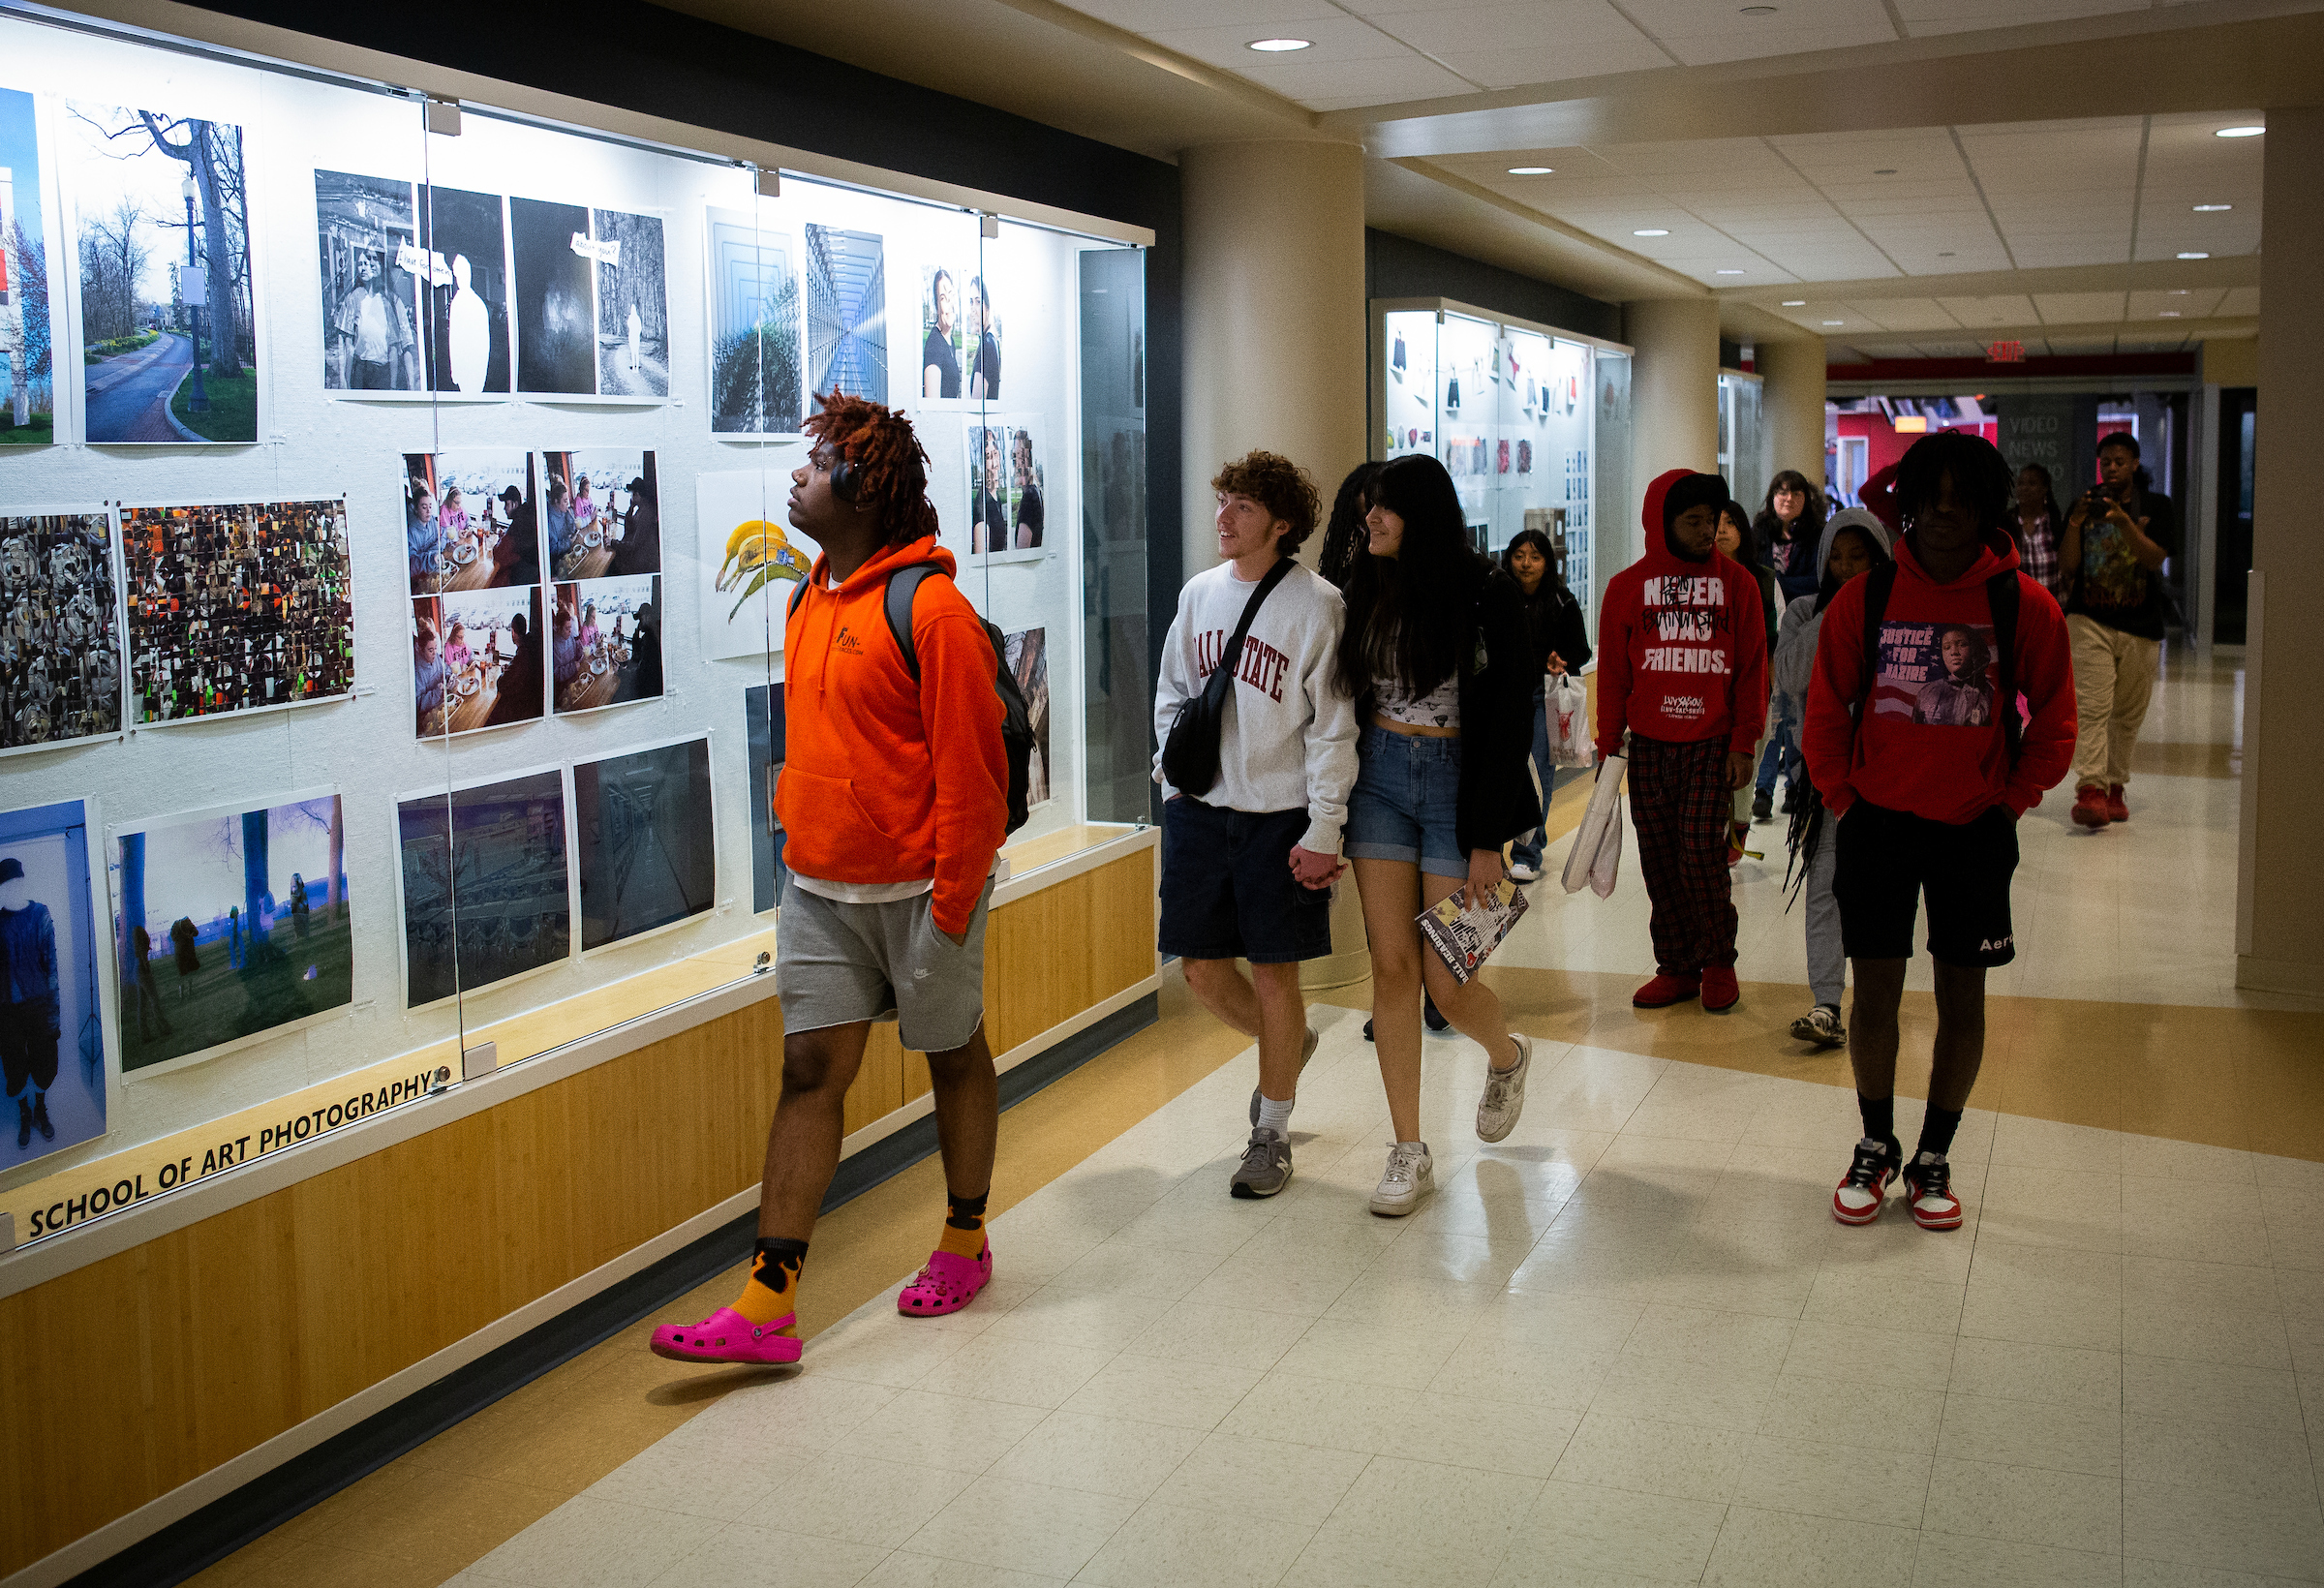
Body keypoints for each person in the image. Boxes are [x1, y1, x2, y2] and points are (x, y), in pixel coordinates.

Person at [651, 392, 1009, 1367]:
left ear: (861, 489)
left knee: (952, 1054)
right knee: (809, 1072)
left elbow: (976, 785)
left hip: (921, 893)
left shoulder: (930, 611)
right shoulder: (810, 594)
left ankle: (966, 1239)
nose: (798, 477)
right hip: (818, 890)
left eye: (816, 465)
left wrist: (947, 912)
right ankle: (768, 1298)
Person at [1806, 430, 2074, 1231]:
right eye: (1934, 493)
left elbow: (2056, 715)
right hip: (1878, 825)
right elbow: (1826, 711)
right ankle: (1876, 1142)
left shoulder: (2019, 603)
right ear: (1911, 504)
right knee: (1876, 996)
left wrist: (2014, 797)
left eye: (1965, 494)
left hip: (1973, 831)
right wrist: (1846, 801)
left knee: (1963, 997)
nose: (1948, 507)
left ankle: (1932, 1156)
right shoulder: (1868, 599)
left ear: (1990, 506)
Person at [1339, 453, 1540, 1215]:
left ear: (1421, 514)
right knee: (1391, 971)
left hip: (1462, 787)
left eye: (1386, 508)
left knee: (1447, 983)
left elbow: (1507, 715)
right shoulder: (1368, 581)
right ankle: (1408, 1150)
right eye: (1368, 507)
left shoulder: (1487, 590)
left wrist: (1491, 836)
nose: (1372, 520)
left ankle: (1508, 1055)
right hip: (1381, 779)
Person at [1154, 451, 1357, 1200]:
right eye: (1221, 502)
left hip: (1281, 819)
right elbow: (1172, 693)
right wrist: (1169, 781)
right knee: (1201, 967)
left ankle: (1269, 1130)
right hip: (1202, 813)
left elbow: (1334, 728)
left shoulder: (1318, 605)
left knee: (1275, 971)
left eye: (1240, 507)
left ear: (1282, 524)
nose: (1222, 518)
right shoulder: (1198, 594)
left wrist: (1324, 827)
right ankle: (1288, 1046)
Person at [1596, 471, 1768, 1014]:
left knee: (1700, 854)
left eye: (1711, 521)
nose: (1706, 532)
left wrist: (1745, 741)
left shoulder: (1738, 585)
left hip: (1710, 743)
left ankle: (1718, 959)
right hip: (1648, 744)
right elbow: (1615, 673)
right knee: (1659, 859)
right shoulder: (1627, 587)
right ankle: (1675, 965)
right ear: (1660, 524)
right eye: (1691, 521)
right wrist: (1606, 740)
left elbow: (1751, 669)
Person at [1770, 507, 1891, 1049]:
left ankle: (1875, 996)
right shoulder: (1801, 610)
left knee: (1883, 890)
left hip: (1889, 773)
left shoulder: (1901, 611)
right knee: (1824, 887)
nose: (1846, 568)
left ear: (1880, 558)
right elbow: (1791, 671)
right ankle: (1826, 1003)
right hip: (1822, 776)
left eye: (1858, 558)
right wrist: (1839, 610)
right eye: (1835, 559)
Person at [2060, 431, 2179, 828]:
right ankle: (2090, 789)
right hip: (2088, 618)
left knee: (2127, 714)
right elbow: (2069, 567)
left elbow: (2153, 558)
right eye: (2105, 462)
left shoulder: (2157, 507)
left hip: (2142, 623)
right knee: (2092, 706)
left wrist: (2124, 522)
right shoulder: (2082, 506)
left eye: (2119, 462)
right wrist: (2076, 522)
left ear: (2134, 465)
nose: (2111, 468)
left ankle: (2114, 787)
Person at [1499, 527, 1591, 883]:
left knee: (1540, 774)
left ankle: (1528, 853)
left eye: (1535, 557)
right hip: (1503, 698)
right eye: (1519, 556)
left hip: (1543, 698)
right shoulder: (1498, 596)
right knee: (1499, 774)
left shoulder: (1562, 602)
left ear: (1547, 562)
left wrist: (1561, 659)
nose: (1526, 564)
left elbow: (1581, 650)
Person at [1720, 500, 1784, 850]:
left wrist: (1770, 691)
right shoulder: (1697, 579)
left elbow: (1775, 642)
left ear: (1743, 532)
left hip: (1754, 689)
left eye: (1731, 523)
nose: (1721, 531)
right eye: (1716, 523)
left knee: (1748, 765)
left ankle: (1736, 836)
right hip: (1711, 692)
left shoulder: (1763, 579)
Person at [1, 856, 60, 1149]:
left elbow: (51, 966)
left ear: (23, 882)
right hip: (7, 1011)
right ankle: (24, 1113)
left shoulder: (40, 915)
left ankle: (40, 1108)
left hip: (38, 1005)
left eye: (16, 882)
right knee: (14, 1067)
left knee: (44, 1061)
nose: (12, 888)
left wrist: (54, 1019)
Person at [331, 249, 413, 390]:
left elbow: (406, 346)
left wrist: (411, 387)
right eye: (367, 261)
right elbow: (347, 343)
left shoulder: (393, 301)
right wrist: (344, 381)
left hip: (384, 374)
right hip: (360, 372)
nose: (370, 264)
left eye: (375, 259)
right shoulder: (355, 297)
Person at [1757, 470, 1826, 604]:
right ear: (1772, 497)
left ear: (1806, 499)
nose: (1789, 499)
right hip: (1766, 608)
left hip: (1804, 610)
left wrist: (1776, 584)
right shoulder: (1760, 530)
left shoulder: (1817, 533)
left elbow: (1816, 582)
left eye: (1796, 494)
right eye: (1783, 493)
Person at [2008, 463, 2068, 602]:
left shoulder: (2056, 523)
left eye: (2032, 483)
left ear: (2044, 489)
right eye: (2021, 483)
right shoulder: (2008, 524)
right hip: (2021, 610)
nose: (2025, 488)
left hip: (2056, 607)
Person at [487, 612, 540, 726]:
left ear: (513, 632)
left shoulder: (522, 655)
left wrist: (506, 672)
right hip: (529, 699)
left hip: (520, 706)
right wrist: (510, 668)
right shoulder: (529, 647)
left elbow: (501, 684)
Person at [922, 268, 961, 399]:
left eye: (951, 294)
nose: (949, 303)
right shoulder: (934, 345)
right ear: (937, 306)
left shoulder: (950, 341)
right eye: (943, 298)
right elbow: (932, 407)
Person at [129, 921, 170, 1042]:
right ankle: (163, 1027)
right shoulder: (140, 932)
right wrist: (147, 967)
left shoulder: (134, 934)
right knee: (154, 1000)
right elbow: (143, 953)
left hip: (137, 970)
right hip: (143, 970)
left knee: (142, 1004)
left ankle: (144, 1034)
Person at [612, 475, 658, 576]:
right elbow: (629, 527)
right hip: (638, 552)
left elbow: (633, 545)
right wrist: (630, 508)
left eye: (632, 494)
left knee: (613, 561)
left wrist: (613, 543)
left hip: (640, 561)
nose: (631, 496)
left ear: (637, 494)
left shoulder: (646, 514)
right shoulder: (641, 509)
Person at [970, 429, 1007, 553]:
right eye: (988, 457)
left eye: (995, 454)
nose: (994, 464)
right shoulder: (982, 505)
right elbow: (980, 557)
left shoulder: (996, 497)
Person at [1011, 433, 1044, 549]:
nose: (1016, 463)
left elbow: (1022, 553)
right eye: (1014, 455)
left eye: (1021, 457)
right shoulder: (1035, 492)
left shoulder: (1029, 498)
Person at [968, 276, 999, 400]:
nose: (973, 309)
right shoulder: (991, 340)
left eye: (978, 302)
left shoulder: (986, 346)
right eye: (971, 302)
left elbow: (977, 405)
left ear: (987, 306)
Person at [413, 628, 446, 731]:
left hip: (442, 705)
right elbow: (418, 704)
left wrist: (449, 677)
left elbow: (446, 669)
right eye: (430, 650)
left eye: (435, 648)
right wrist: (436, 693)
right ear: (421, 650)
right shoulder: (417, 670)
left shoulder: (436, 658)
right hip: (428, 718)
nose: (434, 653)